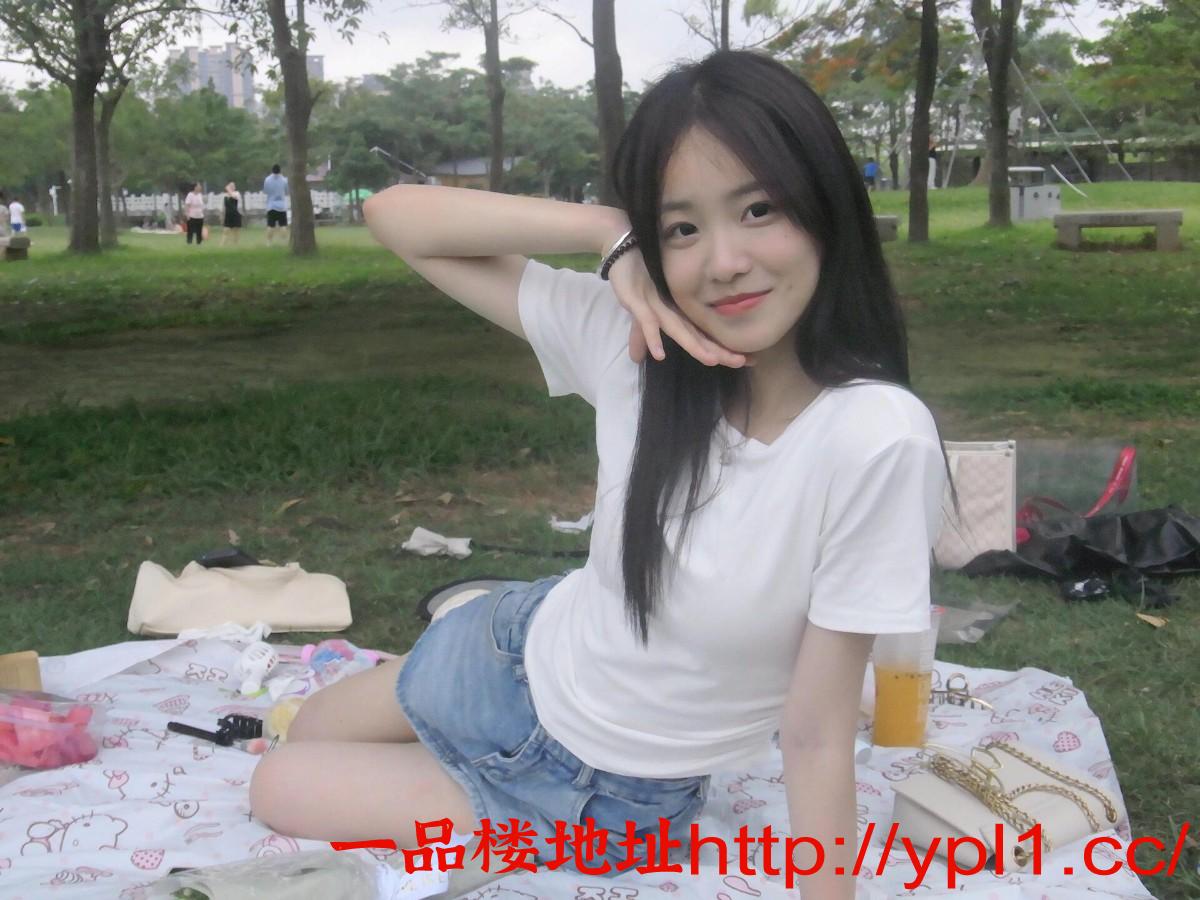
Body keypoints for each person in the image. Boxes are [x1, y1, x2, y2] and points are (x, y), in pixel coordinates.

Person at [249, 50, 946, 899]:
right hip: (511, 645)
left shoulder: (876, 439)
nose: (724, 261)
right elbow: (396, 217)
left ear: (826, 205)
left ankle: (459, 762)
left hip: (599, 790)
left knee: (277, 785)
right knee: (308, 727)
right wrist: (605, 232)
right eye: (682, 228)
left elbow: (816, 733)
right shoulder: (635, 343)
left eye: (759, 209)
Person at [263, 164, 288, 245]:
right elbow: (287, 191)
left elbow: (265, 191)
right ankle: (284, 241)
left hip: (271, 205)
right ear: (280, 170)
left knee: (270, 225)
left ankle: (269, 242)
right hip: (281, 206)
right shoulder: (284, 180)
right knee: (283, 225)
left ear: (272, 170)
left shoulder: (267, 179)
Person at [220, 182, 244, 246]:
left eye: (233, 186)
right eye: (230, 186)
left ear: (235, 187)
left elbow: (234, 197)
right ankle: (222, 245)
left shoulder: (237, 193)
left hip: (236, 215)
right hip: (228, 216)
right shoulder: (225, 196)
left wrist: (228, 190)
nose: (231, 187)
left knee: (236, 232)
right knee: (226, 230)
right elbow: (223, 207)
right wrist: (222, 216)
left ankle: (235, 245)